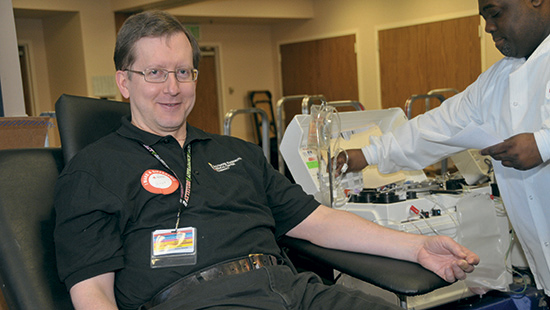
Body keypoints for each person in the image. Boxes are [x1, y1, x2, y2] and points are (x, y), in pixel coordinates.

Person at [53, 10, 479, 310]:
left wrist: (418, 247)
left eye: (183, 72)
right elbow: (92, 291)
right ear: (124, 83)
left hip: (292, 290)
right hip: (196, 300)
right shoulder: (93, 169)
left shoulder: (236, 153)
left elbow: (320, 222)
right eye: (155, 73)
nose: (172, 87)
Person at [337, 0, 550, 298]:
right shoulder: (497, 81)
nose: (488, 26)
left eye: (495, 13)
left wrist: (543, 144)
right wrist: (367, 154)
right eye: (484, 17)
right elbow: (440, 126)